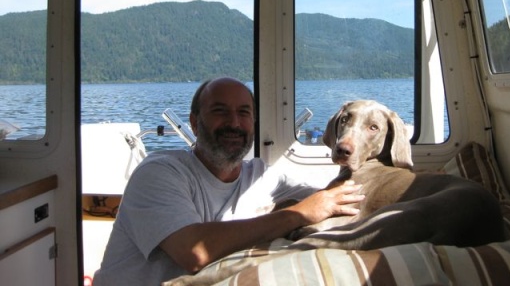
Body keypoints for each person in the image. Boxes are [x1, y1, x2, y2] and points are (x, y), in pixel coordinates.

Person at [93, 77, 364, 286]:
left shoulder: (261, 176)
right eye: (220, 111)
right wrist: (298, 213)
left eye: (244, 113)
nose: (234, 123)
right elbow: (194, 252)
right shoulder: (159, 173)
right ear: (195, 123)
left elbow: (331, 198)